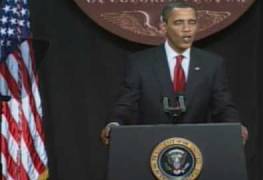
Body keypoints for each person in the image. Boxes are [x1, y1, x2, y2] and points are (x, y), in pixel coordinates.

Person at [100, 1, 248, 144]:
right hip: (151, 145)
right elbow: (126, 103)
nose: (187, 29)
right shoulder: (140, 63)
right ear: (164, 27)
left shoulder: (212, 64)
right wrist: (114, 123)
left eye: (192, 22)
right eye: (179, 23)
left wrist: (235, 126)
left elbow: (223, 105)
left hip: (197, 146)